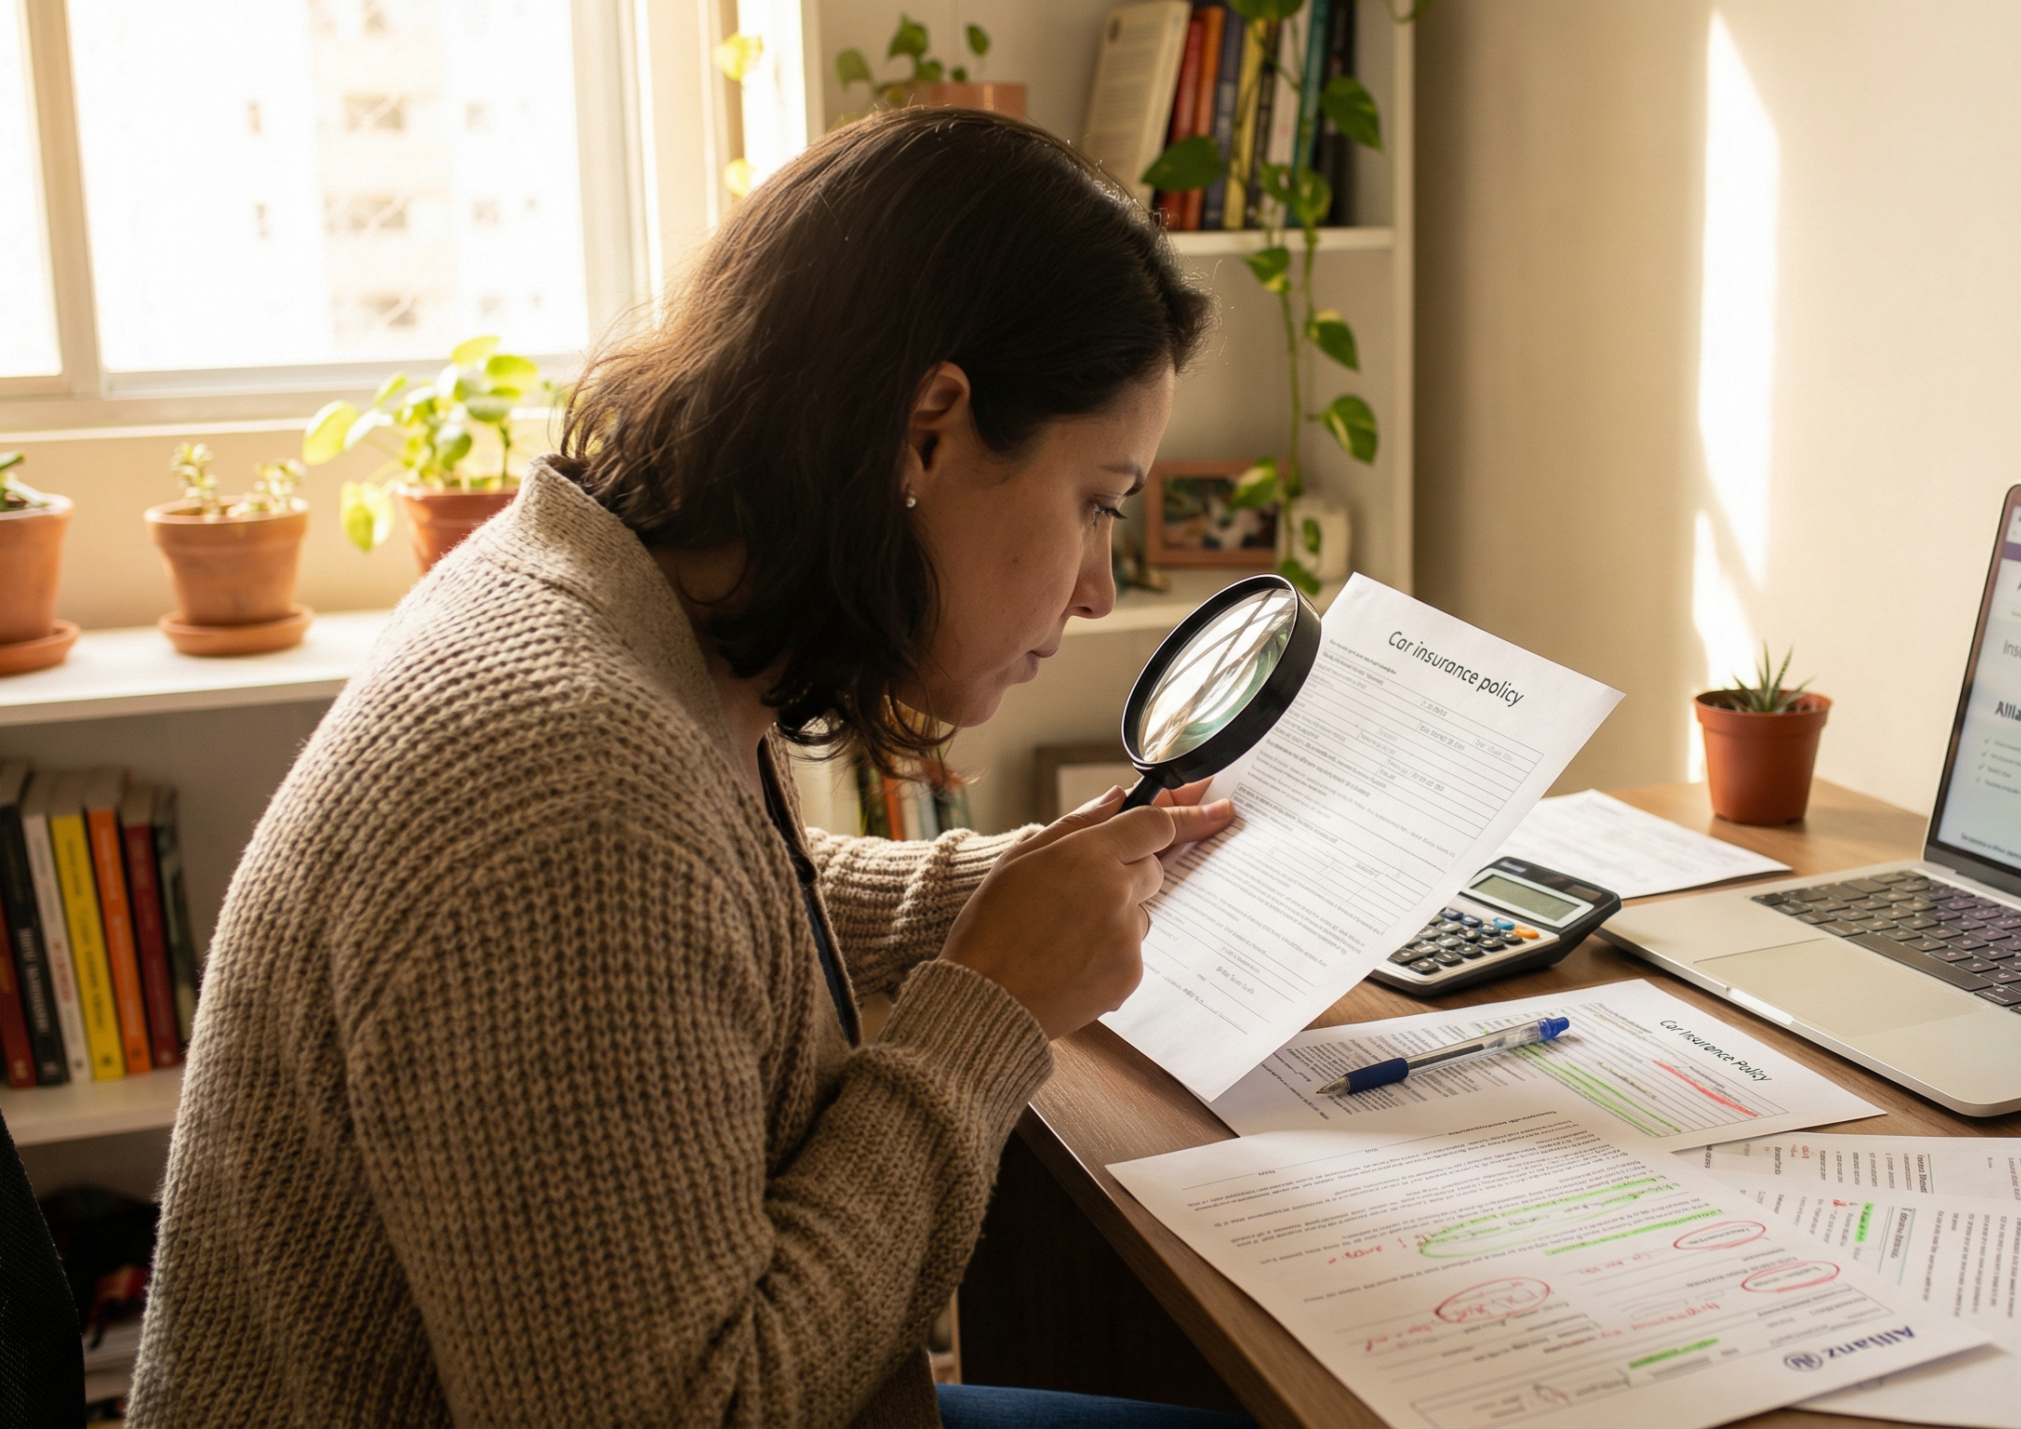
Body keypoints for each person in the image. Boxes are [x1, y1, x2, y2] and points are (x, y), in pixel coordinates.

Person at [130, 108, 1254, 1428]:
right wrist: (986, 1008)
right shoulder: (572, 796)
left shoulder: (604, 597)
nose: (1095, 585)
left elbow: (704, 908)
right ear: (928, 428)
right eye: (1097, 502)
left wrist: (994, 887)